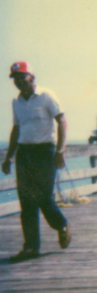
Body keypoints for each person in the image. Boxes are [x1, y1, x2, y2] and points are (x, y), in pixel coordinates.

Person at [1, 62, 71, 258]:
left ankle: (62, 224)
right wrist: (9, 157)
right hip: (24, 153)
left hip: (45, 152)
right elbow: (16, 130)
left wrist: (60, 150)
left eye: (22, 76)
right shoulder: (16, 102)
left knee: (43, 196)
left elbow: (62, 121)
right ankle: (31, 246)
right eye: (15, 77)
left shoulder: (46, 95)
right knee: (26, 201)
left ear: (32, 77)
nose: (19, 81)